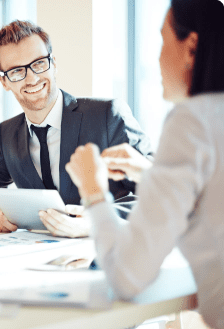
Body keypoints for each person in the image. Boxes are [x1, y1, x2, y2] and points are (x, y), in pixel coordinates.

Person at [41, 0, 224, 327]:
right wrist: (149, 172)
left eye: (162, 41)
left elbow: (127, 276)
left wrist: (93, 190)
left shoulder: (190, 121)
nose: (155, 58)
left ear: (191, 47)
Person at [0, 20, 153, 236]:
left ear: (54, 64)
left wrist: (99, 219)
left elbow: (159, 187)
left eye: (39, 63)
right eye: (16, 71)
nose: (32, 78)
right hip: (41, 258)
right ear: (5, 82)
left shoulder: (107, 116)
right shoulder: (8, 134)